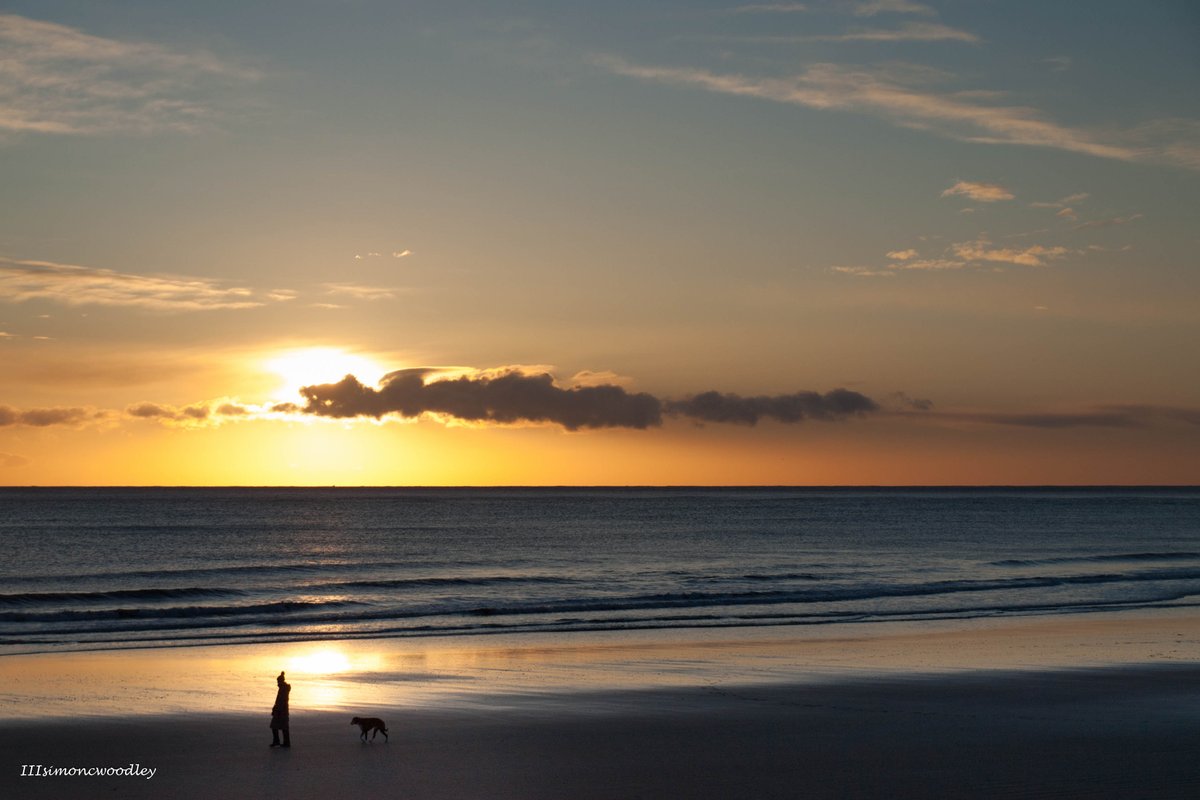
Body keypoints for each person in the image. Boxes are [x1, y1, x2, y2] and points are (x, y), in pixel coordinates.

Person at [270, 671, 291, 747]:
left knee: (276, 726)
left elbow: (281, 701)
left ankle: (282, 742)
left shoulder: (283, 689)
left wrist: (277, 710)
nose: (277, 683)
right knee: (282, 727)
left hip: (282, 711)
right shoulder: (283, 688)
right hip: (282, 710)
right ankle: (284, 742)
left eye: (278, 681)